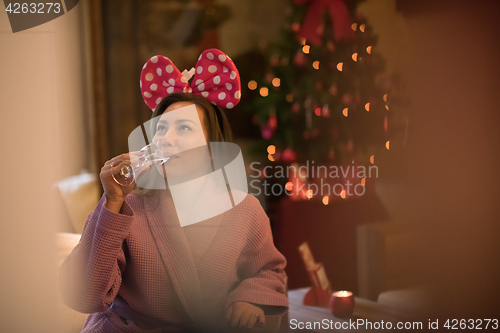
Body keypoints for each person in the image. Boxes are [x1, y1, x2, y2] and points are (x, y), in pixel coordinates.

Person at [59, 50, 288, 333]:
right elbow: (85, 295)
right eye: (161, 129)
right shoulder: (126, 207)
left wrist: (250, 299)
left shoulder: (245, 210)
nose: (165, 139)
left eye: (183, 128)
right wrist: (112, 201)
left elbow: (268, 270)